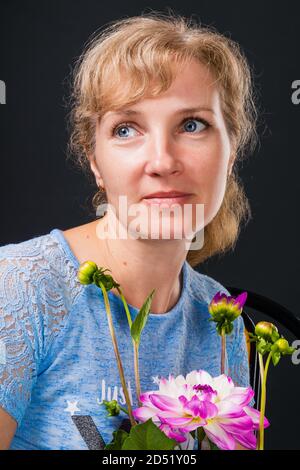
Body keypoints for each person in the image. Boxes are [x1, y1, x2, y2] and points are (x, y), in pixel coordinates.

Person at [0, 11, 258, 450]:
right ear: (95, 161)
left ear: (231, 150)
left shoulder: (223, 322)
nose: (161, 161)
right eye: (126, 129)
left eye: (192, 125)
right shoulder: (21, 289)